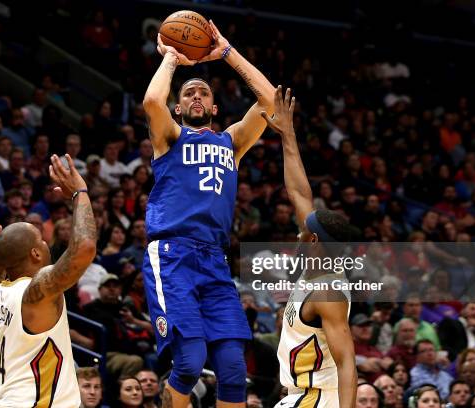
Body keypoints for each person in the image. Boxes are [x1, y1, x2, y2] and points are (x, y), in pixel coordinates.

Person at [142, 19, 276, 408]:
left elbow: (269, 101)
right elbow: (153, 102)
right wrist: (171, 59)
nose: (196, 96)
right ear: (180, 106)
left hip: (214, 259)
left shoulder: (231, 142)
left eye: (203, 92)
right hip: (172, 254)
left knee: (234, 370)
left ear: (215, 107)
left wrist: (227, 53)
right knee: (189, 362)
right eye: (189, 93)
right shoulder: (170, 137)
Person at [0, 154, 96, 407]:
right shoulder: (35, 289)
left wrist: (0, 255)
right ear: (35, 253)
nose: (46, 241)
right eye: (41, 239)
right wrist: (79, 193)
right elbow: (84, 247)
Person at [264, 86, 357, 408]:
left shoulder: (328, 292)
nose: (299, 232)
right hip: (300, 396)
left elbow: (347, 364)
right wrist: (288, 136)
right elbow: (299, 193)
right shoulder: (317, 261)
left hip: (319, 400)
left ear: (314, 241)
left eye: (305, 231)